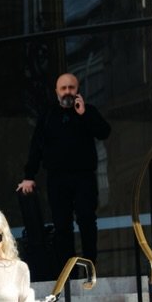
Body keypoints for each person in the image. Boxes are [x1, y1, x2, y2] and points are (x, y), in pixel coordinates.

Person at [18, 71, 111, 278]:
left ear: (78, 90)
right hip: (58, 179)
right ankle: (68, 272)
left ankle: (90, 267)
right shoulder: (48, 115)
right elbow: (36, 147)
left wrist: (84, 114)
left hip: (84, 177)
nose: (68, 92)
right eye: (64, 88)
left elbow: (104, 132)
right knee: (62, 225)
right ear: (57, 92)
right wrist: (29, 175)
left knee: (87, 220)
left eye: (71, 88)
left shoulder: (88, 112)